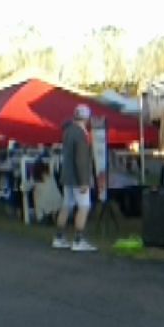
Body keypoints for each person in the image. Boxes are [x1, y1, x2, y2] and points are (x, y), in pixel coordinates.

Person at [54, 104, 98, 252]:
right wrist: (84, 181)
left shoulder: (67, 131)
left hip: (66, 176)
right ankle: (78, 240)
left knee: (67, 205)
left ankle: (59, 237)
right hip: (78, 177)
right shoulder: (81, 134)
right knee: (84, 207)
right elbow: (81, 159)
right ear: (86, 118)